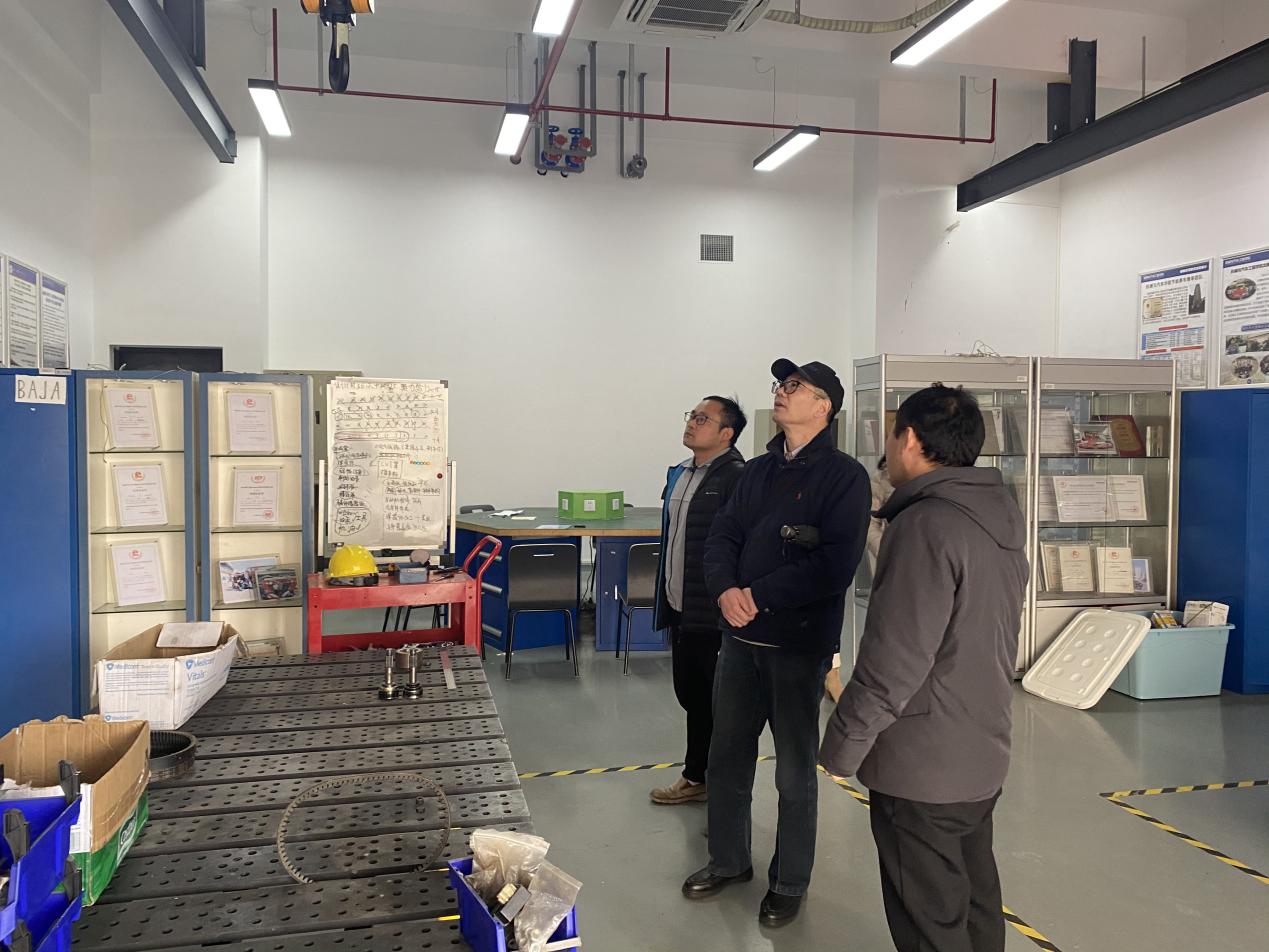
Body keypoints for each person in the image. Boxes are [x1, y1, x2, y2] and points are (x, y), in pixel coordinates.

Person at [819, 384, 1028, 952]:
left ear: (909, 439)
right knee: (975, 903)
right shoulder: (997, 515)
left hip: (922, 763)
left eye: (892, 436)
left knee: (929, 920)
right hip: (980, 747)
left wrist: (842, 746)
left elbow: (895, 659)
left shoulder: (926, 525)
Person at [682, 359, 870, 927]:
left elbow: (834, 565)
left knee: (793, 771)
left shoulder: (845, 477)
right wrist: (725, 591)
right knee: (726, 759)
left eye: (794, 387)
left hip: (796, 647)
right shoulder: (757, 471)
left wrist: (757, 596)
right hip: (740, 640)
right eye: (780, 385)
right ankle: (728, 861)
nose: (780, 393)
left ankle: (789, 881)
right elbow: (722, 536)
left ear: (824, 407)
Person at [649, 396, 747, 805]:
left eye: (703, 419)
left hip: (713, 611)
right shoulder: (681, 474)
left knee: (715, 701)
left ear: (726, 433)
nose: (692, 423)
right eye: (692, 416)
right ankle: (699, 775)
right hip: (681, 606)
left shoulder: (737, 477)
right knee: (691, 695)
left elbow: (739, 545)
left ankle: (711, 782)